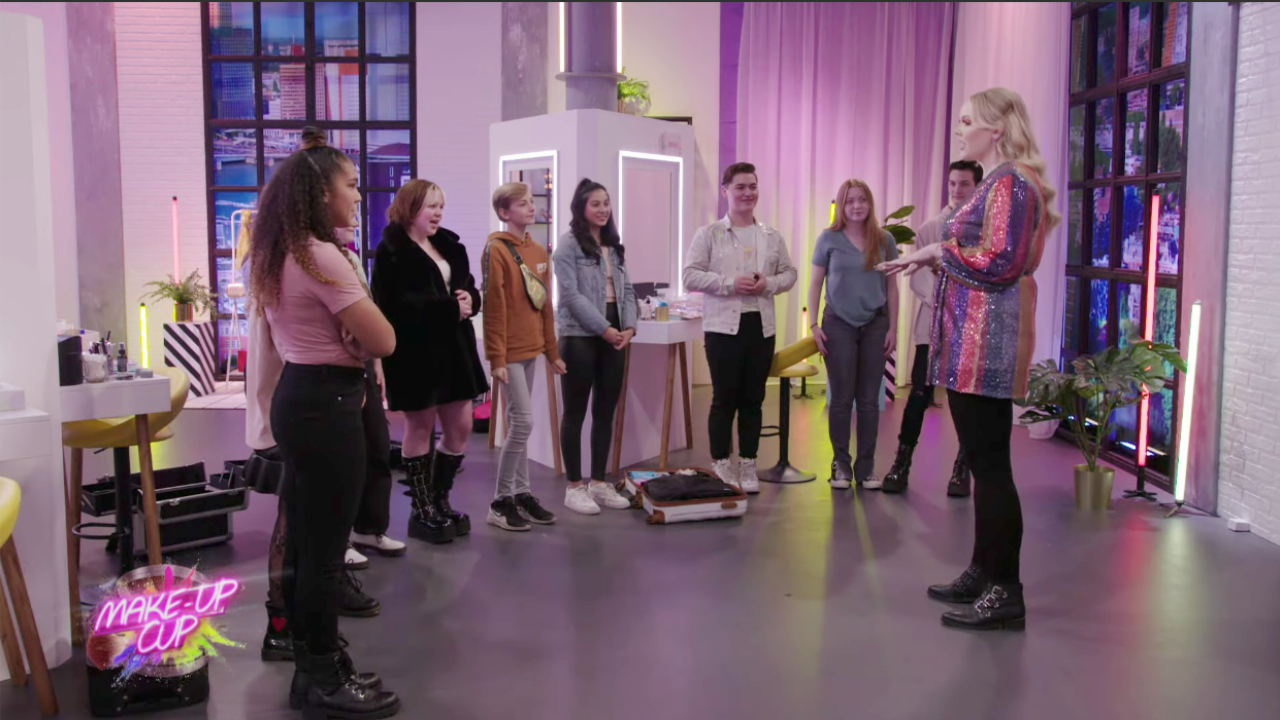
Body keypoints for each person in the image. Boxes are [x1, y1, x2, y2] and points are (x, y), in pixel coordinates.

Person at [880, 88, 1057, 631]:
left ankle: (1006, 591)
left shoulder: (1011, 182)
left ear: (995, 128)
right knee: (983, 465)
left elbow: (1001, 261)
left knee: (992, 468)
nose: (959, 131)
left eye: (966, 122)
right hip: (970, 341)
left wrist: (937, 250)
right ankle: (984, 571)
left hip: (986, 344)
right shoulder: (1000, 181)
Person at [249, 126, 400, 715]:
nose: (358, 196)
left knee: (309, 542)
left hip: (303, 397)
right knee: (324, 550)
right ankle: (321, 676)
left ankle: (315, 666)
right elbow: (383, 339)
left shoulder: (279, 251)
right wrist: (357, 341)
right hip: (326, 405)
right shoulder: (321, 254)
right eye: (351, 185)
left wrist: (354, 340)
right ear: (320, 194)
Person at [372, 180, 488, 544]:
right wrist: (450, 309)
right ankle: (421, 509)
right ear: (411, 208)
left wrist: (470, 300)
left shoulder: (450, 246)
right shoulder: (391, 252)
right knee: (420, 426)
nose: (438, 213)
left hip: (455, 349)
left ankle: (439, 499)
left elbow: (469, 287)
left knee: (461, 426)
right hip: (415, 353)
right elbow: (393, 306)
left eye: (441, 206)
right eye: (431, 206)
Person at [683, 162, 798, 493]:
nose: (748, 193)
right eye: (740, 187)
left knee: (753, 399)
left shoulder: (771, 236)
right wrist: (729, 283)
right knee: (724, 398)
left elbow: (790, 273)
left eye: (753, 186)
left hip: (761, 326)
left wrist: (768, 283)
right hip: (722, 328)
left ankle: (748, 462)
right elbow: (690, 275)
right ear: (725, 191)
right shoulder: (709, 234)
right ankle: (721, 462)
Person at [881, 160, 984, 496]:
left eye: (964, 184)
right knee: (918, 395)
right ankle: (901, 463)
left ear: (978, 187)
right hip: (932, 325)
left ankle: (962, 468)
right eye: (952, 183)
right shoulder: (930, 228)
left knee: (966, 400)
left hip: (969, 328)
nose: (956, 190)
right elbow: (919, 278)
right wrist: (942, 299)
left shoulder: (985, 230)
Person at [483, 182, 565, 531]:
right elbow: (493, 307)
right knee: (523, 423)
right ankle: (501, 501)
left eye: (532, 202)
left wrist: (551, 351)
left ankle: (521, 494)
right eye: (522, 203)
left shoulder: (538, 251)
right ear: (504, 212)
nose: (531, 207)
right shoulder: (496, 250)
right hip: (510, 352)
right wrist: (496, 358)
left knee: (518, 421)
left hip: (532, 348)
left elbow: (544, 305)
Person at [553, 179, 637, 515]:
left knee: (605, 411)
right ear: (581, 208)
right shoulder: (568, 244)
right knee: (574, 413)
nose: (603, 210)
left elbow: (627, 290)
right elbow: (570, 296)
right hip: (579, 335)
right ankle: (574, 486)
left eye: (606, 203)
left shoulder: (614, 246)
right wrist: (604, 329)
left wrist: (629, 328)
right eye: (595, 204)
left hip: (615, 333)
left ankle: (599, 482)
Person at [809, 179, 898, 490]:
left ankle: (866, 468)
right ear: (841, 206)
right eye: (849, 201)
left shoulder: (885, 240)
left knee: (870, 401)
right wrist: (814, 326)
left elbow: (892, 287)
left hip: (875, 323)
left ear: (869, 203)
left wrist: (893, 327)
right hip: (838, 324)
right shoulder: (828, 239)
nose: (856, 206)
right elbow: (815, 284)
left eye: (862, 200)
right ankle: (841, 466)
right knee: (842, 398)